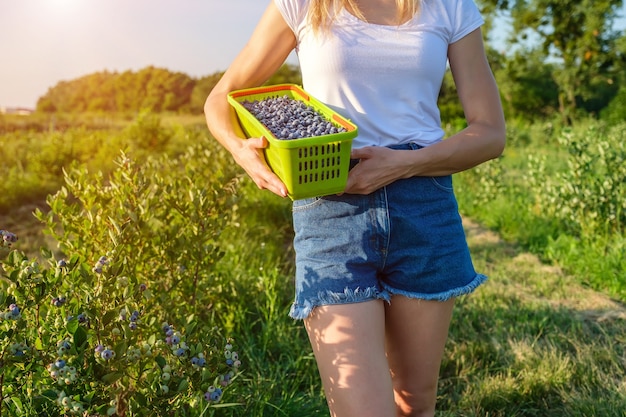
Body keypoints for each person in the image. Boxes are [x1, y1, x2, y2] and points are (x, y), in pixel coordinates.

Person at [204, 0, 506, 415]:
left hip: (424, 205)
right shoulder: (303, 4)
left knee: (415, 402)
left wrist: (403, 164)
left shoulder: (450, 6)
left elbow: (490, 132)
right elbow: (221, 97)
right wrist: (241, 149)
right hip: (330, 210)